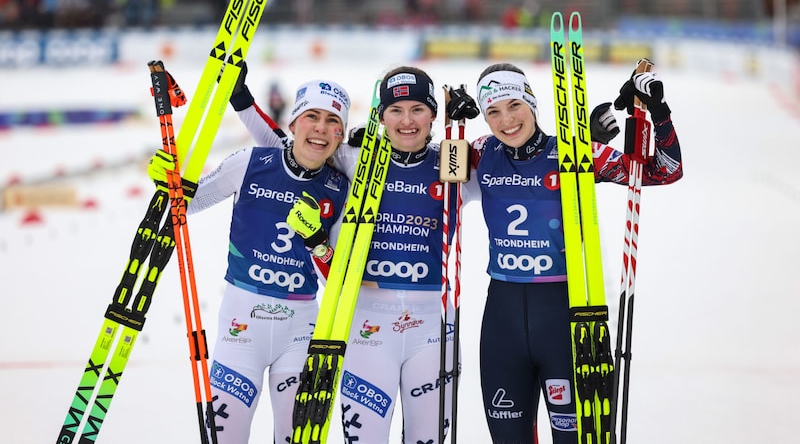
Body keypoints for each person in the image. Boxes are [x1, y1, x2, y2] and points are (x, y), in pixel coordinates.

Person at [443, 63, 683, 443]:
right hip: (502, 320)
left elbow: (665, 171)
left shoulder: (575, 154)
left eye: (514, 105)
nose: (506, 120)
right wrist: (447, 132)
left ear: (532, 103)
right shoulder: (480, 152)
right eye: (492, 111)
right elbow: (435, 178)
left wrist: (658, 112)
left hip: (566, 317)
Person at [231, 65, 465, 444]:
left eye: (418, 109)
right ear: (381, 115)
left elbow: (515, 162)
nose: (407, 121)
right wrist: (242, 103)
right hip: (367, 325)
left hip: (432, 328)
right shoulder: (356, 159)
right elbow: (286, 148)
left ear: (433, 115)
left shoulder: (452, 164)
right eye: (396, 110)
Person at [147, 78, 352, 444]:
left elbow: (338, 281)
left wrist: (316, 240)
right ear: (293, 124)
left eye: (332, 122)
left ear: (340, 135)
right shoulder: (250, 163)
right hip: (241, 331)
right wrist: (166, 182)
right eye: (312, 116)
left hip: (300, 333)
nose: (321, 128)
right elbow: (187, 204)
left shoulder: (339, 188)